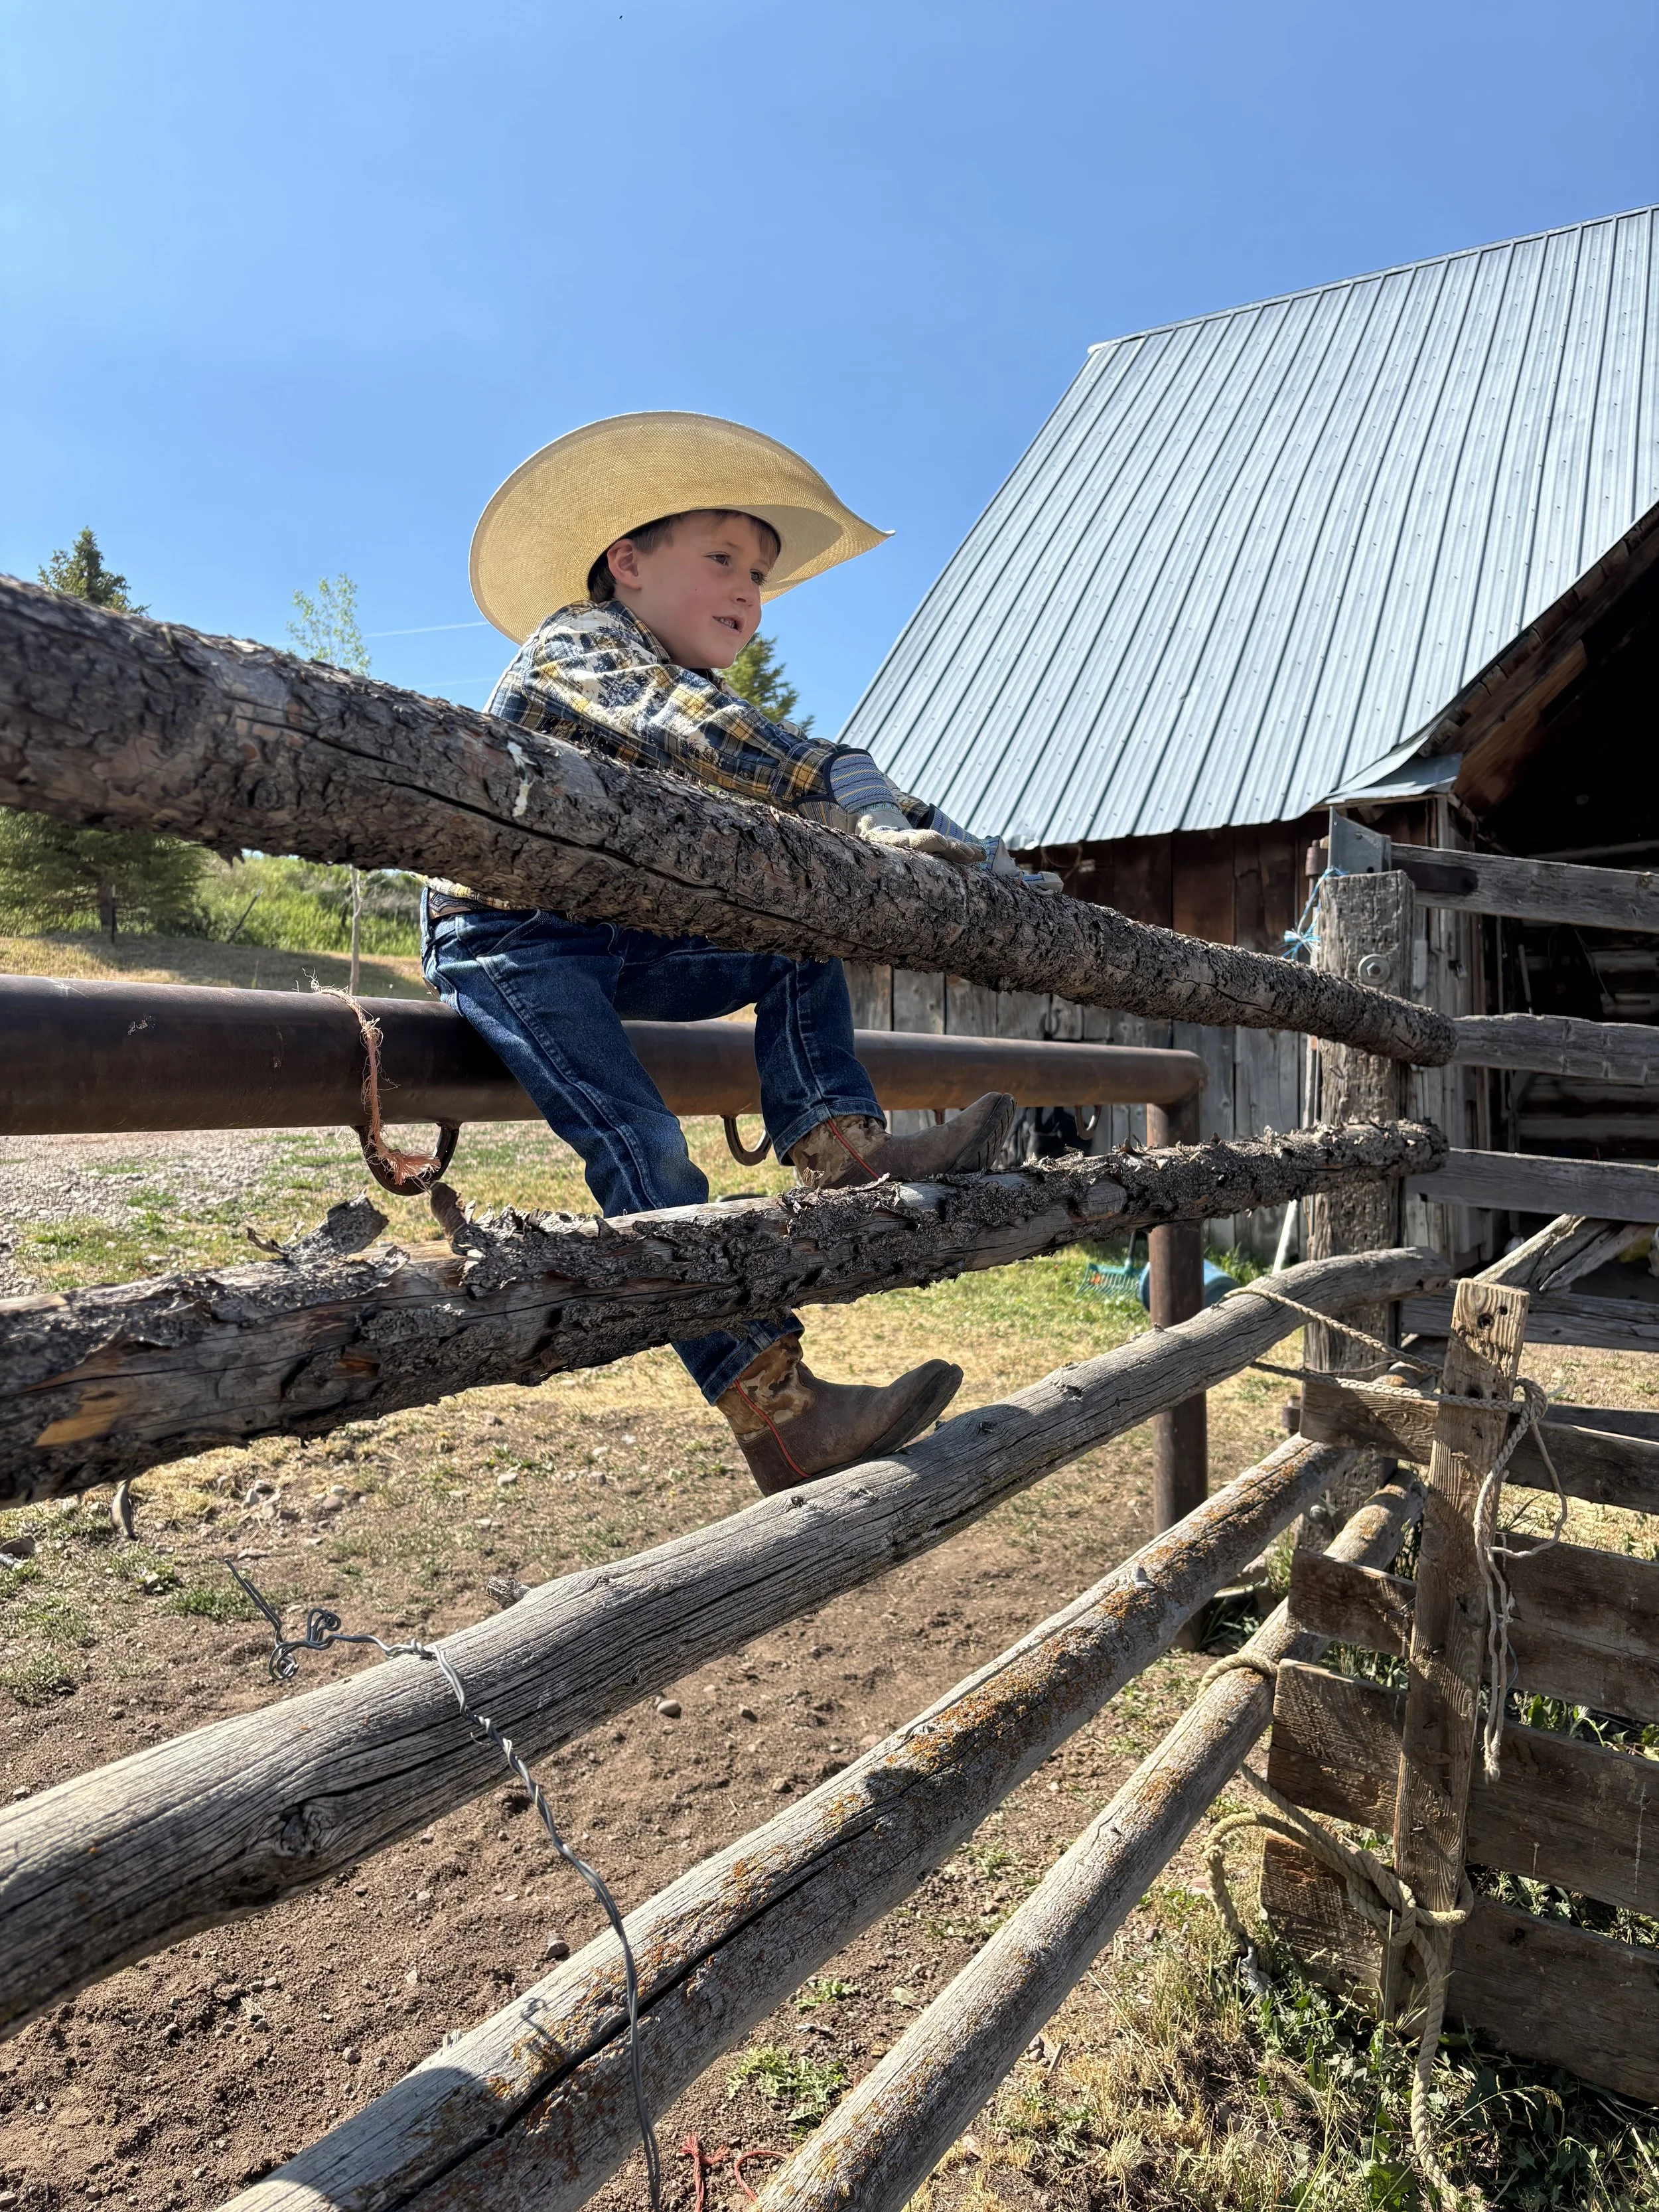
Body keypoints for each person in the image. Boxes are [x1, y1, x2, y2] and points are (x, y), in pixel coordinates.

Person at [426, 412, 1050, 1495]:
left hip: (601, 930)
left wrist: (970, 853)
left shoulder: (668, 680)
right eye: (722, 559)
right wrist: (842, 773)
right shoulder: (585, 649)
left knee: (791, 942)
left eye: (760, 576)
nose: (750, 595)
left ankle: (842, 1154)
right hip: (505, 936)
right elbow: (706, 735)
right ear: (627, 562)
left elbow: (772, 768)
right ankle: (782, 1417)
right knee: (644, 1149)